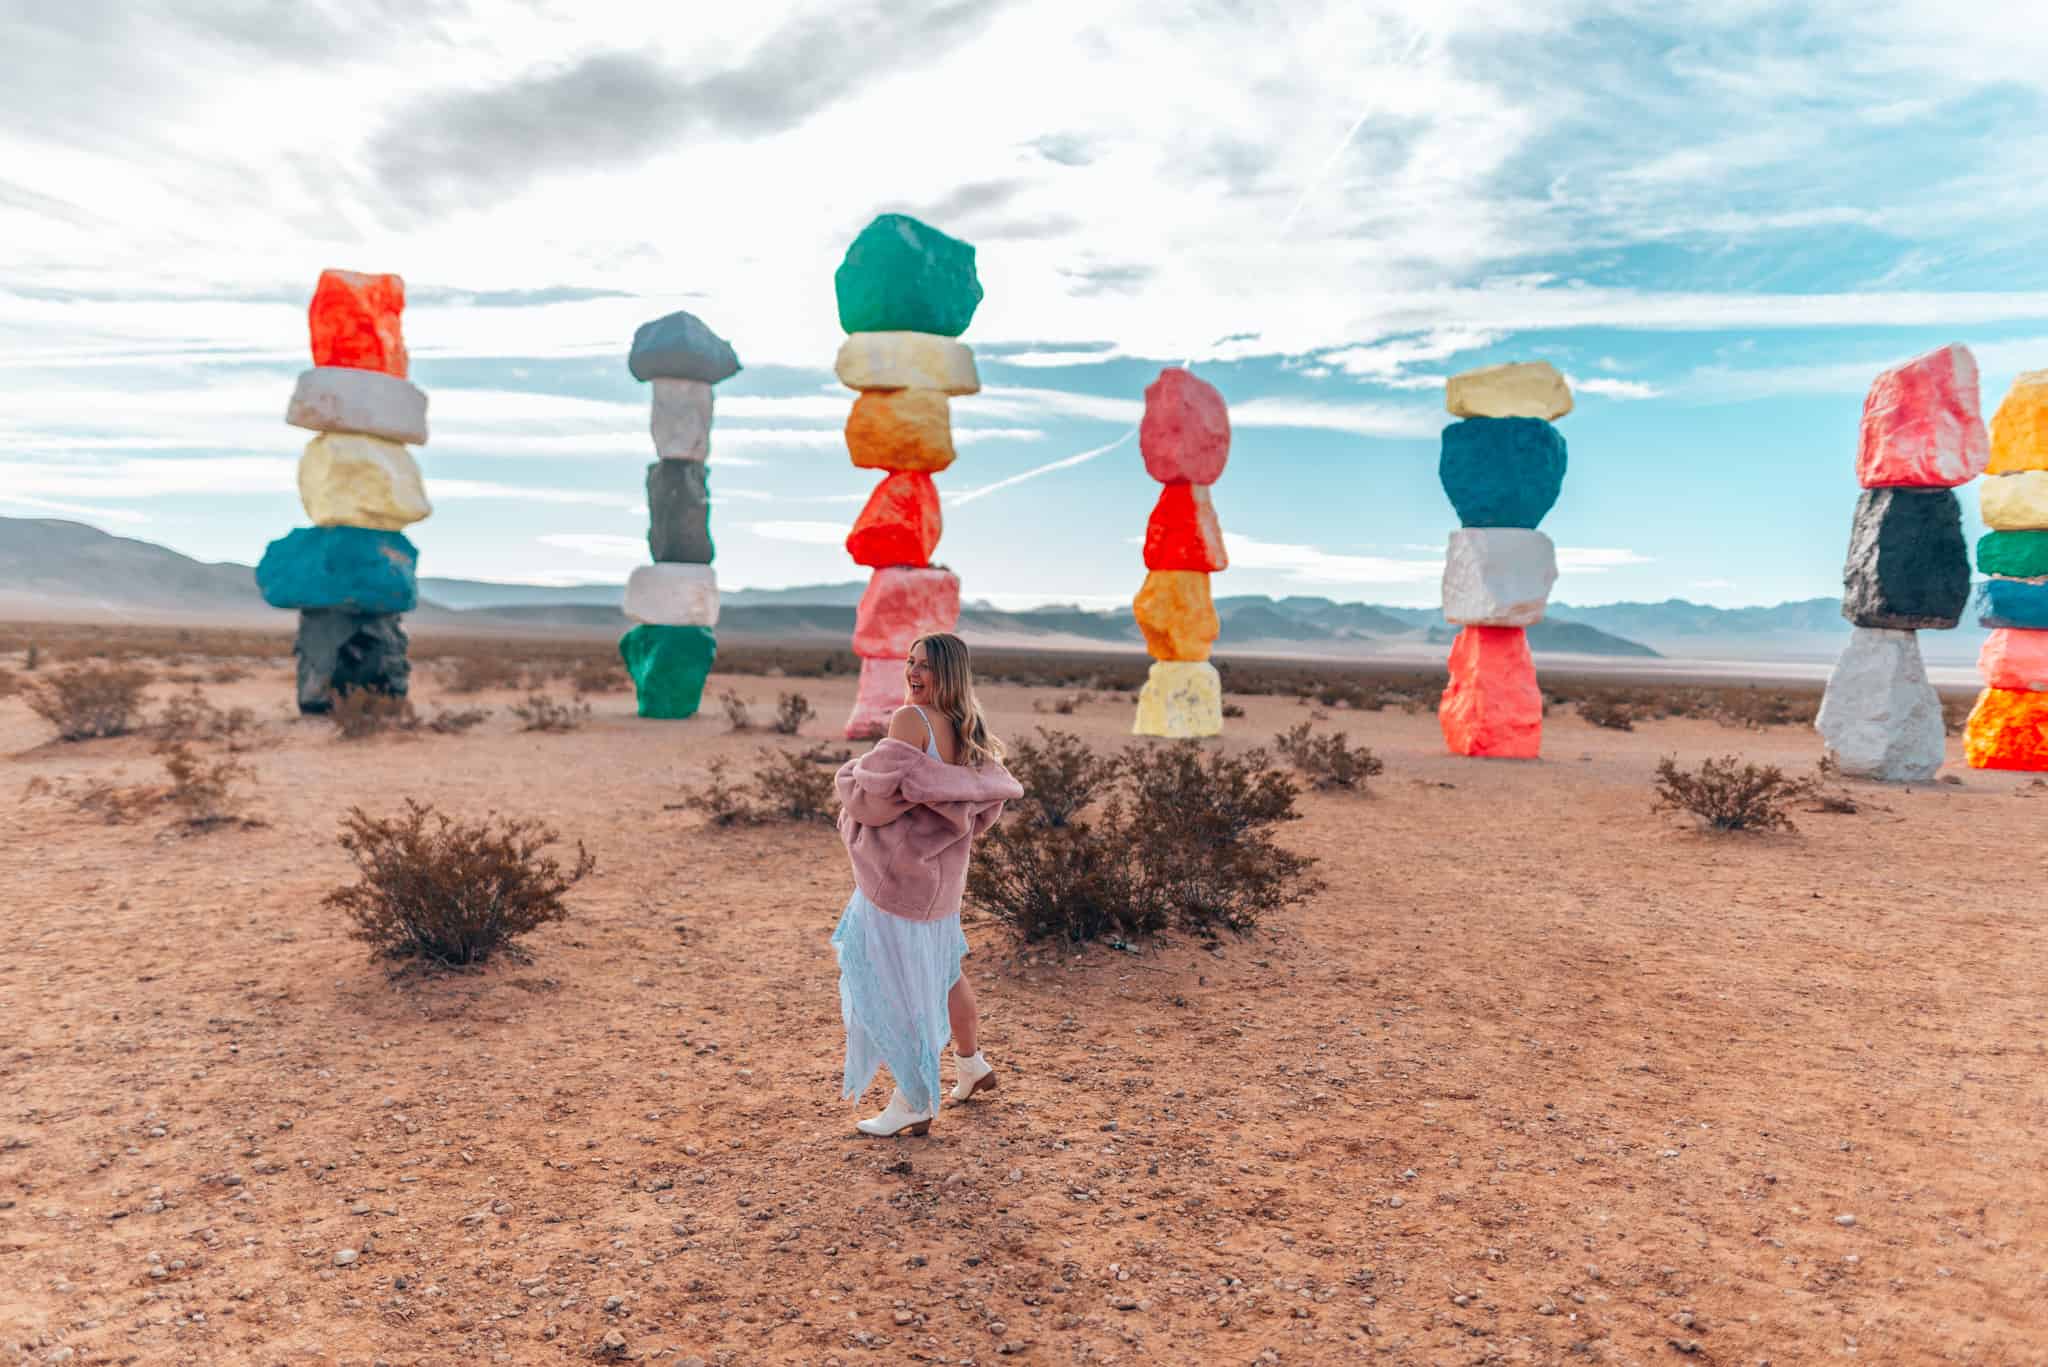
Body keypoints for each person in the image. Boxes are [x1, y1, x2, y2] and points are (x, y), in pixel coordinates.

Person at [832, 632, 1022, 1137]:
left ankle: (914, 1099)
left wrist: (849, 774)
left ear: (948, 674)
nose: (913, 673)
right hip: (942, 882)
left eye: (926, 666)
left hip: (898, 879)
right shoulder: (970, 728)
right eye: (909, 662)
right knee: (942, 972)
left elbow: (870, 793)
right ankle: (971, 1064)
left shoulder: (910, 720)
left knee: (895, 982)